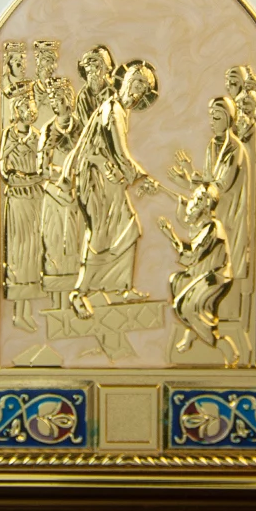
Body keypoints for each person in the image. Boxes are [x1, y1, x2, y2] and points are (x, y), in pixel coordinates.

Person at [61, 59, 159, 320]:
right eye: (137, 84)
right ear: (127, 82)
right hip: (95, 179)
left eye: (144, 89)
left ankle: (122, 288)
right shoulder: (112, 110)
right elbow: (120, 152)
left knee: (128, 227)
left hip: (108, 179)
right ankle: (79, 293)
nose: (138, 93)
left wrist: (133, 176)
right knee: (100, 235)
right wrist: (141, 176)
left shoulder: (120, 110)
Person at [170, 96, 250, 282]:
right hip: (213, 208)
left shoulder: (234, 148)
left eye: (217, 117)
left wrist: (188, 182)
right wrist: (190, 173)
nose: (212, 122)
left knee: (227, 250)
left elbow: (221, 186)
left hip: (229, 209)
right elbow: (208, 181)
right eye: (211, 116)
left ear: (228, 119)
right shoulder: (212, 145)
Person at [158, 182, 238, 366]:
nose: (192, 200)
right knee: (176, 281)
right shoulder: (200, 225)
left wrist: (171, 236)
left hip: (217, 276)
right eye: (194, 196)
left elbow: (191, 256)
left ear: (206, 205)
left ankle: (221, 344)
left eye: (197, 198)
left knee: (185, 306)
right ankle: (191, 333)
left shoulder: (213, 228)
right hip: (203, 272)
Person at [36, 77, 83, 306]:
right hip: (54, 195)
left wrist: (73, 177)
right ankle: (55, 302)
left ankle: (75, 297)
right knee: (54, 244)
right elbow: (41, 167)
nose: (55, 103)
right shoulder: (48, 130)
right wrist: (61, 174)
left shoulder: (81, 129)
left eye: (59, 99)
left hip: (75, 195)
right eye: (52, 99)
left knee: (75, 244)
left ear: (68, 100)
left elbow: (85, 158)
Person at [0, 94, 43, 331]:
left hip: (34, 196)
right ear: (17, 110)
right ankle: (17, 313)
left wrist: (30, 177)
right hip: (16, 197)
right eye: (26, 107)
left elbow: (42, 167)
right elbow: (2, 167)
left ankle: (26, 313)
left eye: (32, 107)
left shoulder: (37, 136)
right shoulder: (9, 135)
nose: (31, 111)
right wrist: (14, 175)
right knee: (17, 251)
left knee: (32, 252)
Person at [75, 45, 116, 126]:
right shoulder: (83, 96)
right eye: (87, 67)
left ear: (107, 69)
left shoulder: (114, 92)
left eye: (95, 66)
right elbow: (85, 125)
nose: (91, 70)